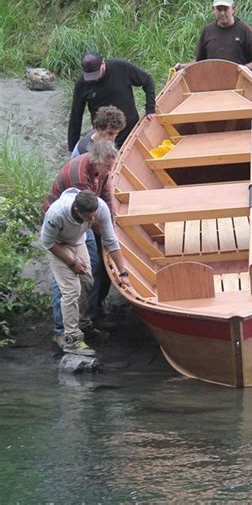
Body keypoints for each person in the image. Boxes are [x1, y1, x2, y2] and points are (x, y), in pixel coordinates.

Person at [45, 140, 118, 345]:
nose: (110, 170)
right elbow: (88, 213)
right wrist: (71, 261)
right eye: (108, 167)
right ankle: (62, 331)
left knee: (89, 273)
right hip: (61, 226)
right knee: (67, 283)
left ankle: (85, 322)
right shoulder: (79, 177)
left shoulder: (101, 171)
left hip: (81, 223)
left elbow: (104, 199)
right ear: (97, 162)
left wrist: (110, 225)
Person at [41, 189, 130, 357]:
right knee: (71, 290)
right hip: (57, 246)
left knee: (88, 282)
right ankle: (71, 339)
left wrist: (123, 273)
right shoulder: (56, 214)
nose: (93, 220)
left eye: (95, 215)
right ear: (77, 210)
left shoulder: (100, 208)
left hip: (78, 241)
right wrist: (72, 262)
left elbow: (110, 241)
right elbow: (47, 243)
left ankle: (82, 325)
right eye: (89, 217)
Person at [67, 52, 156, 152]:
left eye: (96, 74)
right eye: (90, 76)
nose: (94, 78)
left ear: (103, 64)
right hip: (104, 137)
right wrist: (72, 148)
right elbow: (76, 116)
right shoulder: (82, 83)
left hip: (130, 130)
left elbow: (147, 80)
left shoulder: (121, 67)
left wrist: (150, 108)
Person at [193, 0, 252, 71]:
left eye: (225, 9)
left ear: (233, 9)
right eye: (219, 9)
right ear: (213, 10)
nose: (222, 13)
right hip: (212, 80)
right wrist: (183, 67)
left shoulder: (244, 30)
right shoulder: (208, 30)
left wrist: (244, 69)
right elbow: (199, 62)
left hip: (238, 81)